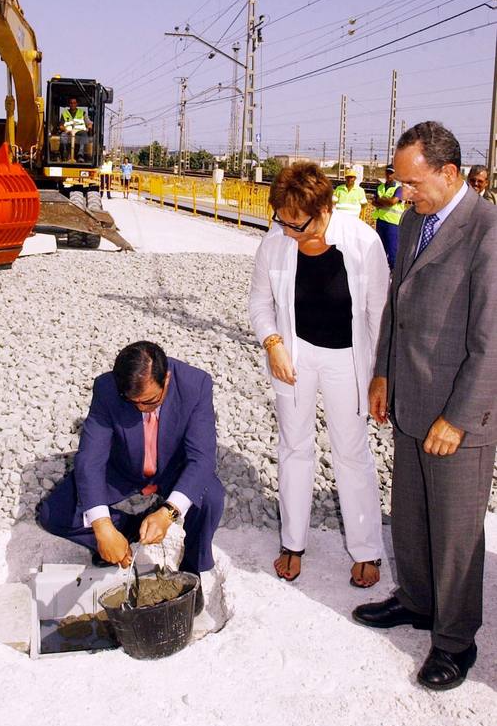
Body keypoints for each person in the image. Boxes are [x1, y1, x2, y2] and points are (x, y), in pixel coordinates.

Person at [353, 121, 497, 691]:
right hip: (409, 394)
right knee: (411, 515)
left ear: (449, 172)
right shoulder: (415, 220)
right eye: (400, 182)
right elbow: (398, 303)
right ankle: (416, 601)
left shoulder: (487, 230)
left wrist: (459, 417)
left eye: (412, 183)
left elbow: (491, 341)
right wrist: (383, 371)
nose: (402, 194)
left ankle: (456, 642)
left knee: (457, 532)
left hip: (457, 413)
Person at [249, 162, 389, 586]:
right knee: (294, 447)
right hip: (296, 354)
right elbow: (259, 303)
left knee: (351, 451)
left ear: (325, 208)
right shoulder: (275, 242)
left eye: (297, 224)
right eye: (282, 221)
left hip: (348, 359)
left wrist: (379, 376)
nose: (288, 232)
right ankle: (292, 542)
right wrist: (274, 345)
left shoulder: (363, 242)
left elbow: (380, 316)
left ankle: (367, 549)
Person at [36, 341, 225, 614]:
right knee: (54, 514)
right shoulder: (106, 388)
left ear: (167, 378)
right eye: (131, 402)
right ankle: (125, 532)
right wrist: (102, 527)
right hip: (122, 469)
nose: (140, 409)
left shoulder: (196, 384)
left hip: (173, 467)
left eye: (149, 401)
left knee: (211, 498)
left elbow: (202, 458)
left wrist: (168, 513)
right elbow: (90, 459)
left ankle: (191, 570)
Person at [372, 163, 405, 269]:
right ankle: (381, 270)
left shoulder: (399, 188)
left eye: (391, 173)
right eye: (387, 172)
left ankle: (393, 272)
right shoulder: (380, 187)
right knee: (381, 249)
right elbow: (373, 202)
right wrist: (385, 200)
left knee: (392, 250)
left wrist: (381, 200)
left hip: (393, 223)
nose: (389, 175)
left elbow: (392, 202)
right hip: (381, 221)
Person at [59, 97, 93, 162]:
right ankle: (65, 155)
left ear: (77, 104)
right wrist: (65, 129)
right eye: (71, 103)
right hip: (68, 132)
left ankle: (80, 155)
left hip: (79, 131)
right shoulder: (64, 113)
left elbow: (89, 123)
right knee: (63, 136)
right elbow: (61, 126)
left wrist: (88, 127)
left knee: (84, 134)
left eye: (74, 103)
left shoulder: (82, 113)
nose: (72, 104)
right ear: (69, 104)